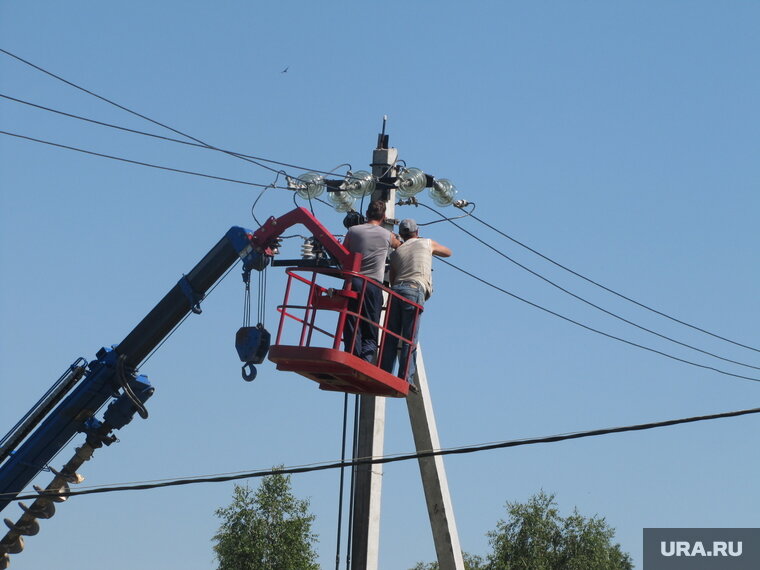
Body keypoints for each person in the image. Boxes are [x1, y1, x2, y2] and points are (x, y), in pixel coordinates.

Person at [379, 219, 452, 384]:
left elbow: (392, 278)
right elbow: (448, 252)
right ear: (417, 232)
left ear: (402, 235)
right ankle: (406, 378)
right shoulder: (426, 243)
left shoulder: (396, 253)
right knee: (408, 337)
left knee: (390, 336)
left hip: (396, 291)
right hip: (414, 290)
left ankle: (384, 373)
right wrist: (428, 248)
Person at [342, 200, 401, 362]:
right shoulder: (387, 235)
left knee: (351, 321)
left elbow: (343, 254)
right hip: (373, 285)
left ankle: (351, 356)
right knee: (370, 325)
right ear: (384, 217)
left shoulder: (353, 230)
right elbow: (400, 247)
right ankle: (365, 360)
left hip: (353, 281)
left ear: (367, 214)